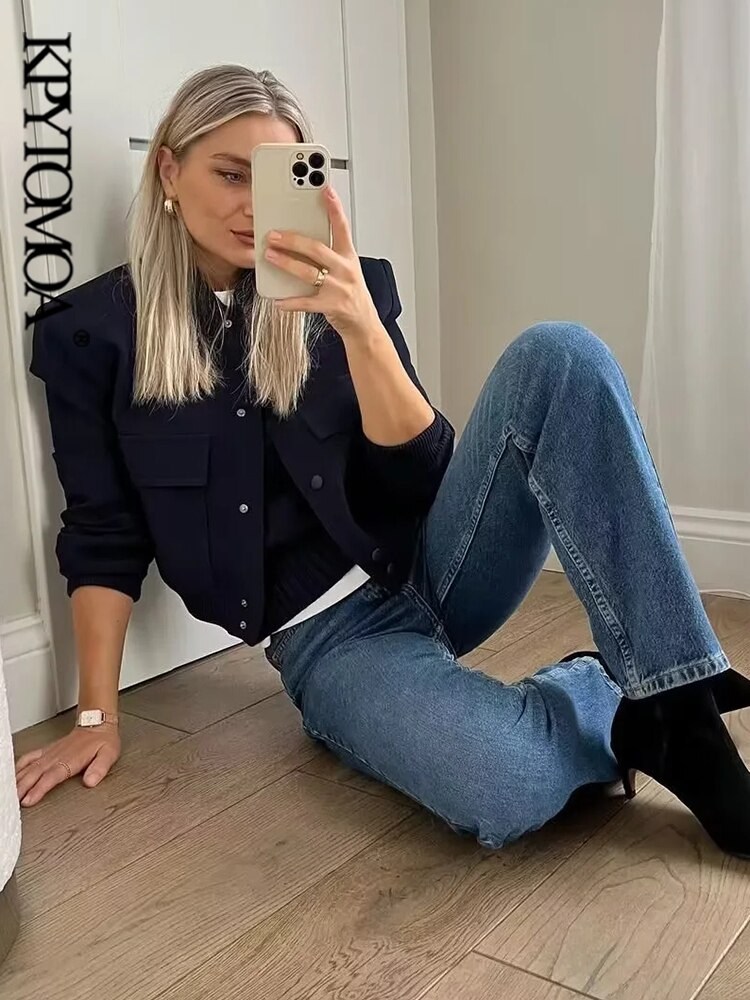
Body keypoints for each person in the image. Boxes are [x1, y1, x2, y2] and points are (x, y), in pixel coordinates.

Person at [16, 64, 750, 858]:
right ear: (169, 169)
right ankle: (614, 704)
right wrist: (97, 715)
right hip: (332, 639)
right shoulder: (93, 334)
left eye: (276, 179)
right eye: (230, 174)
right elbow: (103, 533)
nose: (254, 205)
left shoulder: (352, 290)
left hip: (438, 560)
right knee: (505, 781)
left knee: (560, 355)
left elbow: (422, 476)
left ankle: (683, 707)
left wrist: (361, 329)